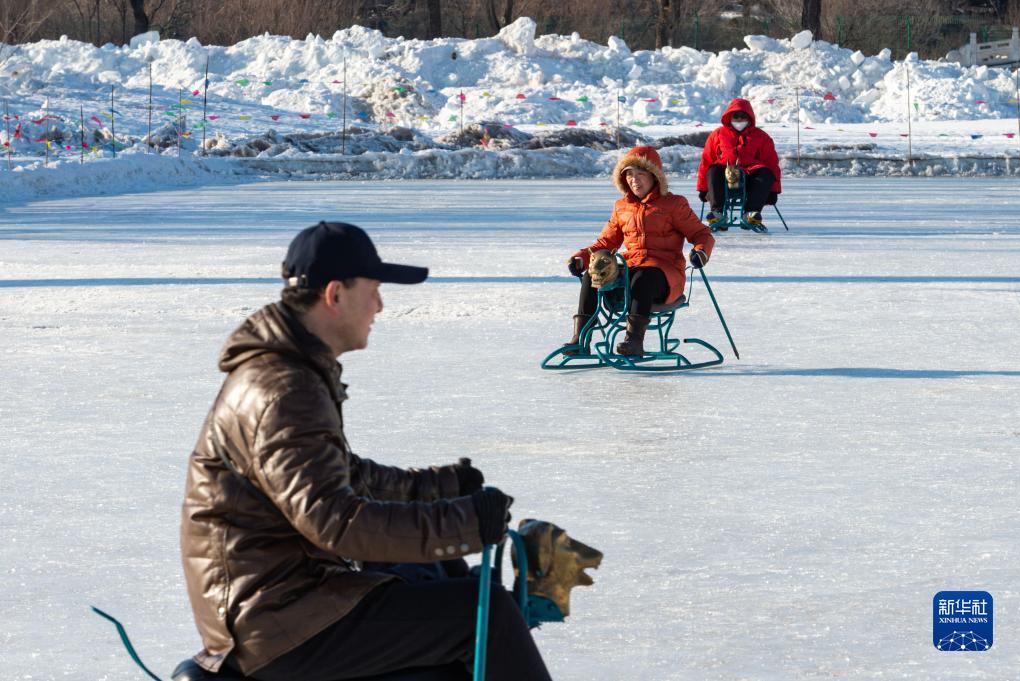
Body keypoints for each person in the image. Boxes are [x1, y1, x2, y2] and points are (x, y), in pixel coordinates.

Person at [179, 221, 551, 681]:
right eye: (373, 289)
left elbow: (345, 476)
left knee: (439, 568)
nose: (379, 305)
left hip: (286, 598)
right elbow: (335, 520)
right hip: (274, 621)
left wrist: (439, 488)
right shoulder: (283, 389)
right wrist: (468, 523)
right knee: (486, 615)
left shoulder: (292, 371)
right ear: (335, 295)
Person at [565, 145, 715, 357]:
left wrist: (701, 252)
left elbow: (702, 234)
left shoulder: (674, 204)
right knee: (593, 273)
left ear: (654, 176)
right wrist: (581, 258)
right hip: (631, 269)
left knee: (643, 276)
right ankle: (580, 340)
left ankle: (634, 341)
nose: (634, 180)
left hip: (664, 274)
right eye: (629, 175)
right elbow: (605, 242)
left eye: (640, 174)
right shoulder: (621, 207)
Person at [696, 98, 782, 228]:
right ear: (729, 117)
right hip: (724, 176)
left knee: (766, 172)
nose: (739, 120)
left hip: (750, 177)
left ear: (749, 117)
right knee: (713, 169)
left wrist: (773, 190)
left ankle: (750, 213)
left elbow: (772, 163)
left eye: (743, 116)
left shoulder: (762, 137)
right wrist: (702, 188)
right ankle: (717, 212)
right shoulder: (717, 134)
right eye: (736, 116)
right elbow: (706, 160)